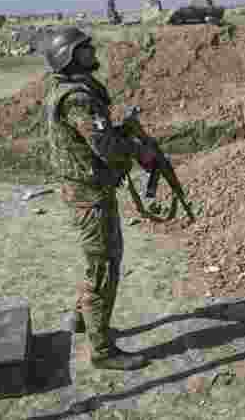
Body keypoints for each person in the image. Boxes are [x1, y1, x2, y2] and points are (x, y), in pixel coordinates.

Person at [42, 26, 158, 371]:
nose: (93, 52)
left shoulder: (66, 88)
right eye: (85, 48)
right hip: (89, 194)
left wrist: (122, 130)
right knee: (104, 264)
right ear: (70, 56)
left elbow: (96, 137)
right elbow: (102, 146)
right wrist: (138, 151)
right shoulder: (77, 97)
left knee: (97, 259)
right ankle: (103, 350)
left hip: (85, 188)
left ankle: (82, 321)